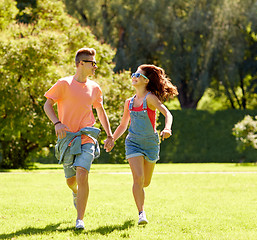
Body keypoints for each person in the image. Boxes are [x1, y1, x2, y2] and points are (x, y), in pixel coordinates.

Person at [43, 48, 114, 230]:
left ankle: (79, 219)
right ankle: (75, 192)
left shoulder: (95, 88)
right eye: (92, 63)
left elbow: (100, 110)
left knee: (82, 173)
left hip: (87, 136)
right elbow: (47, 105)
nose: (95, 67)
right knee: (71, 180)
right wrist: (57, 123)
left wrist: (109, 134)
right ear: (80, 63)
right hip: (66, 139)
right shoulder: (63, 84)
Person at [105, 64, 178, 225]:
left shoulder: (150, 98)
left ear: (146, 81)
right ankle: (141, 214)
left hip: (151, 143)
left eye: (137, 75)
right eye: (133, 74)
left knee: (145, 182)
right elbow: (123, 125)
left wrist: (167, 128)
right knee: (138, 179)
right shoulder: (128, 102)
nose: (134, 77)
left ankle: (141, 206)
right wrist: (112, 138)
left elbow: (168, 113)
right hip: (133, 142)